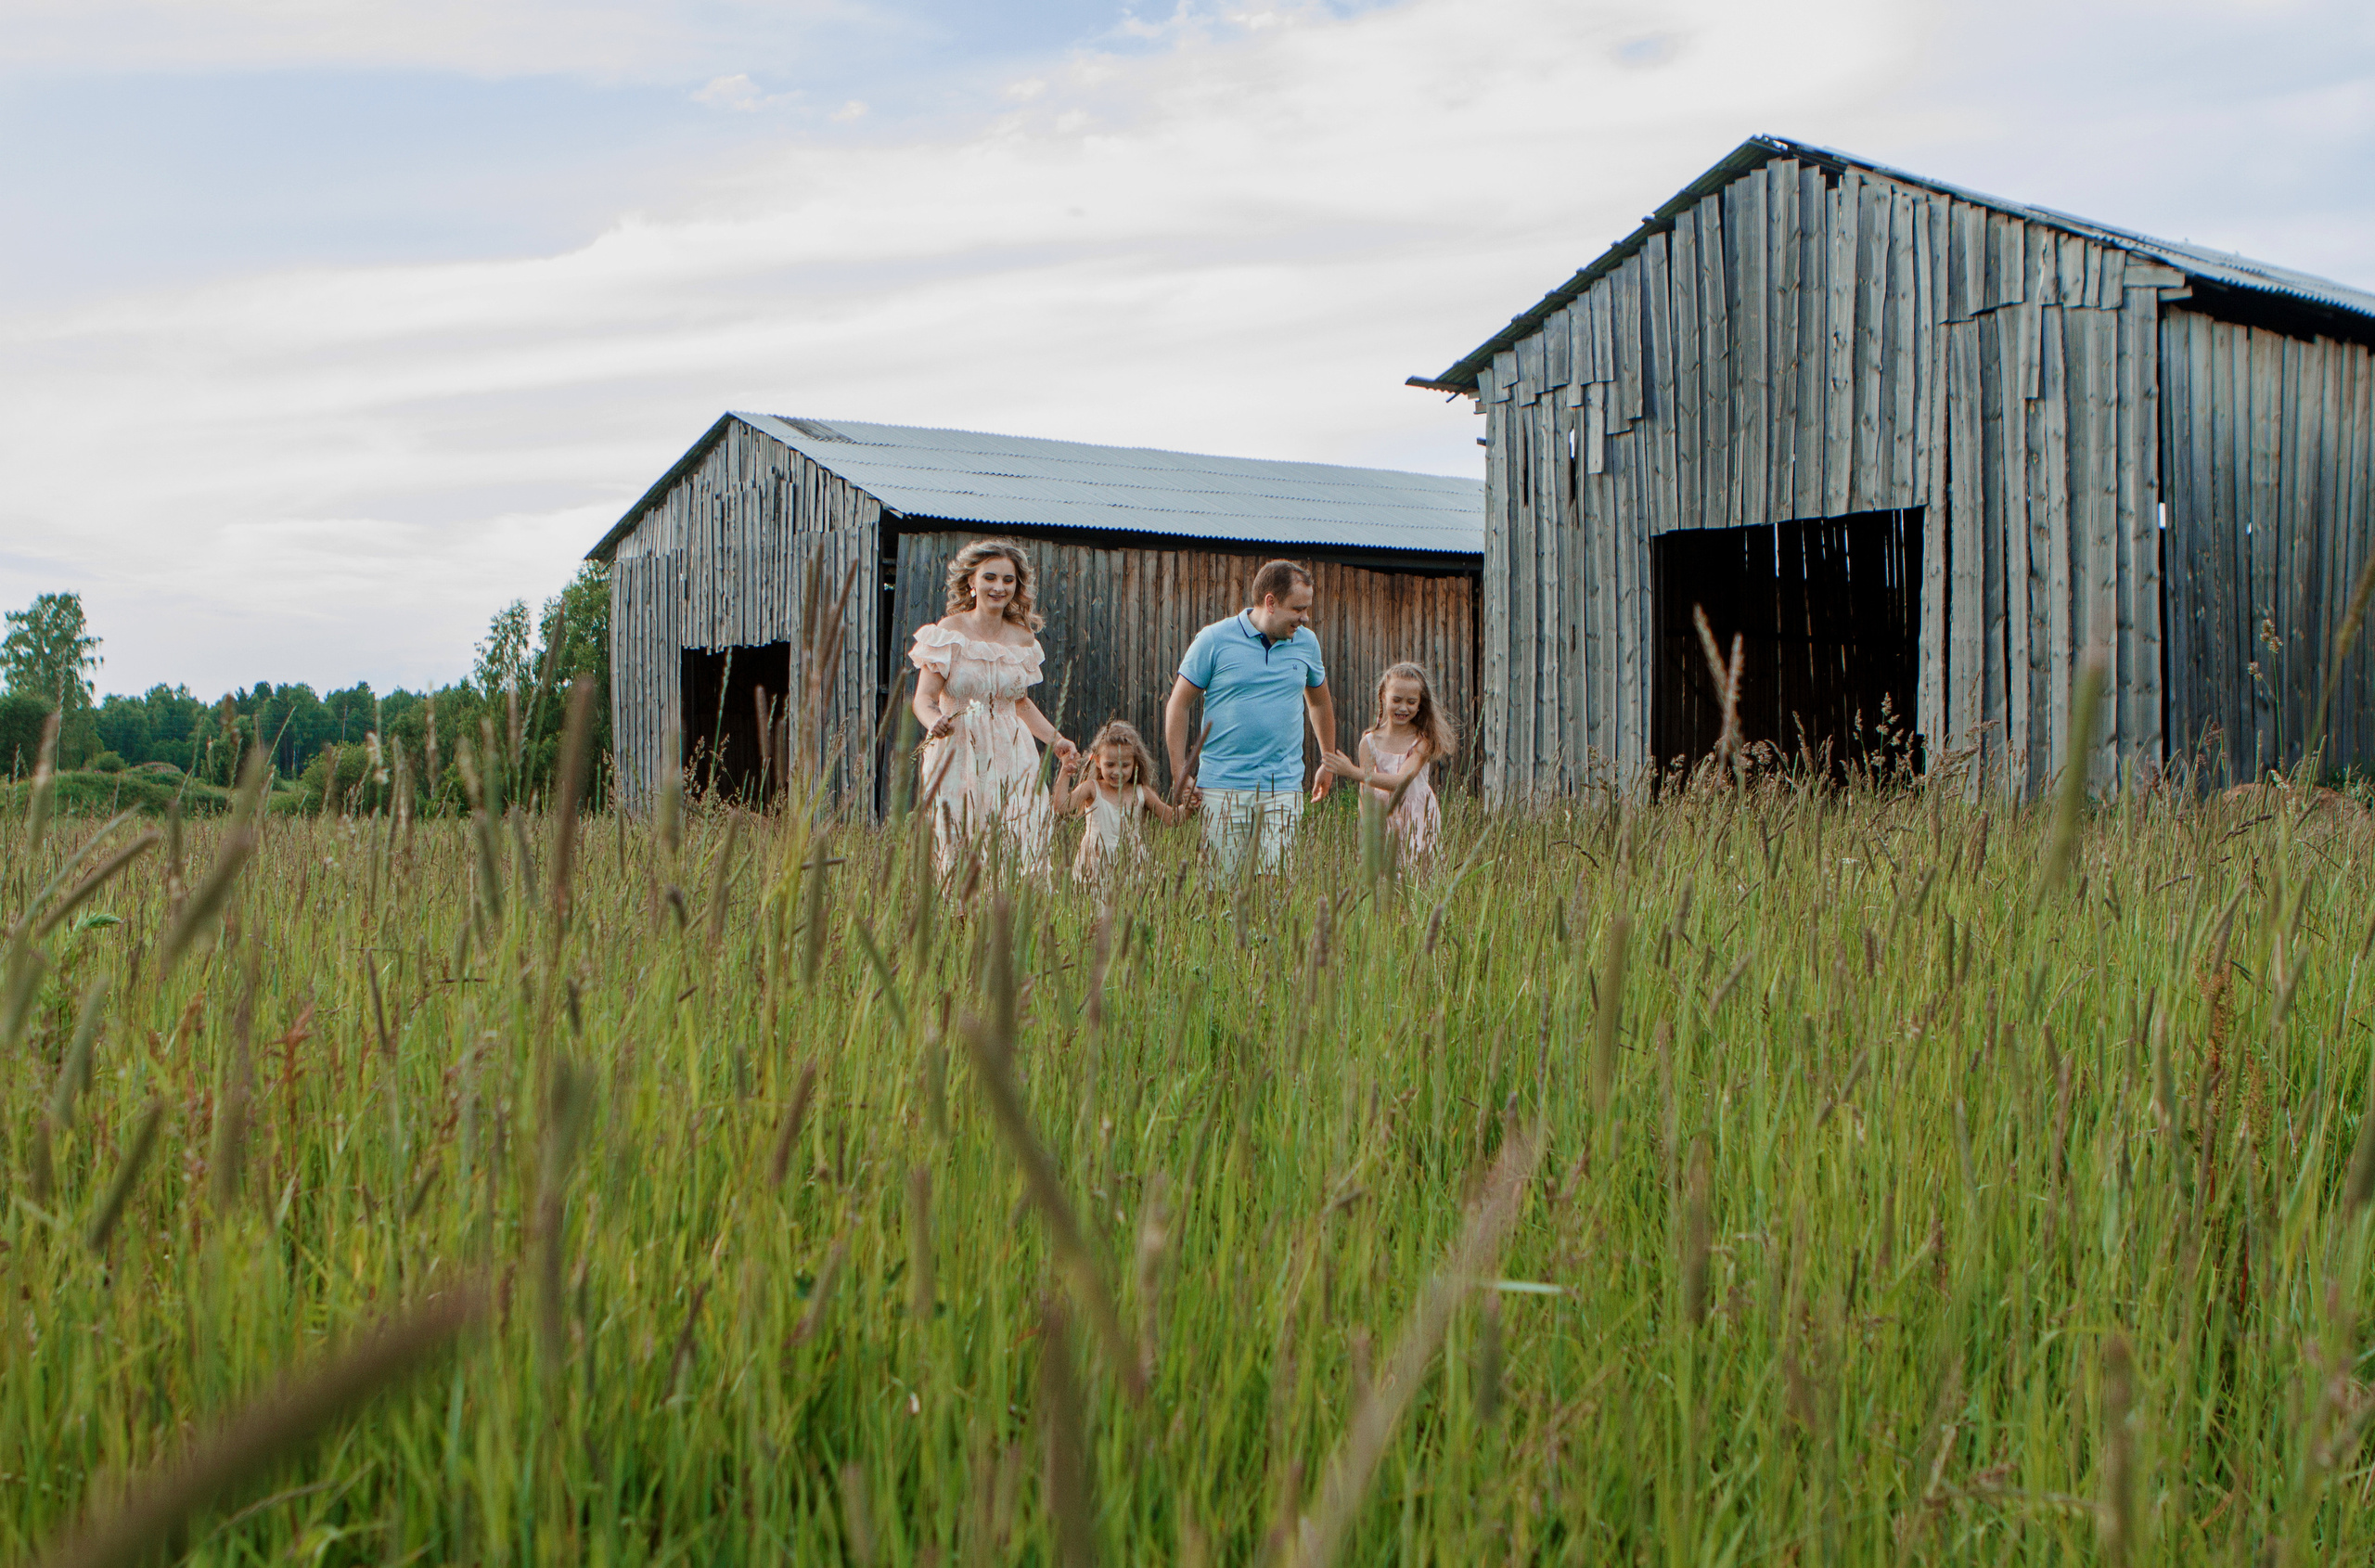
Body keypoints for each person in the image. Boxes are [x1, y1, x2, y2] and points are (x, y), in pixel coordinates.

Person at [909, 539, 1075, 880]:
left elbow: (1020, 703)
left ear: (1016, 587)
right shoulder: (948, 632)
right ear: (972, 581)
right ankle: (959, 910)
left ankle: (1009, 909)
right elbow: (923, 699)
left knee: (1018, 835)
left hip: (1012, 752)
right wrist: (934, 721)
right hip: (958, 749)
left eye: (1008, 580)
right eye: (990, 577)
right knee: (960, 839)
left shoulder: (1022, 639)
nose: (999, 587)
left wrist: (1056, 740)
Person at [1164, 559, 1337, 880]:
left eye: (1307, 609)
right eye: (1298, 609)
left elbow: (1320, 703)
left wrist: (1328, 760)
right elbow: (1179, 704)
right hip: (1221, 787)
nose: (1305, 617)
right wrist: (1180, 771)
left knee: (1272, 889)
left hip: (1282, 786)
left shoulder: (1307, 643)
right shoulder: (1214, 640)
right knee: (1218, 890)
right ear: (1270, 602)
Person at [1320, 661, 1454, 863]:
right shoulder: (1369, 742)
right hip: (1382, 815)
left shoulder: (1422, 741)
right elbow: (1365, 792)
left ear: (1420, 704)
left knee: (1417, 867)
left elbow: (1401, 781)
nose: (1403, 708)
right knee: (1384, 872)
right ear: (1383, 697)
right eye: (1396, 700)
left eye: (1411, 702)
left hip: (1417, 813)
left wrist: (1352, 772)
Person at [1051, 719, 1185, 884]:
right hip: (1095, 865)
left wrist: (1191, 804)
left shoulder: (1141, 792)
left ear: (1135, 763)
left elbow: (1172, 818)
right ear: (1098, 761)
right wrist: (1065, 770)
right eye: (1110, 765)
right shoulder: (1092, 788)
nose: (1117, 771)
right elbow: (1062, 807)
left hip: (1131, 864)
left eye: (1125, 765)